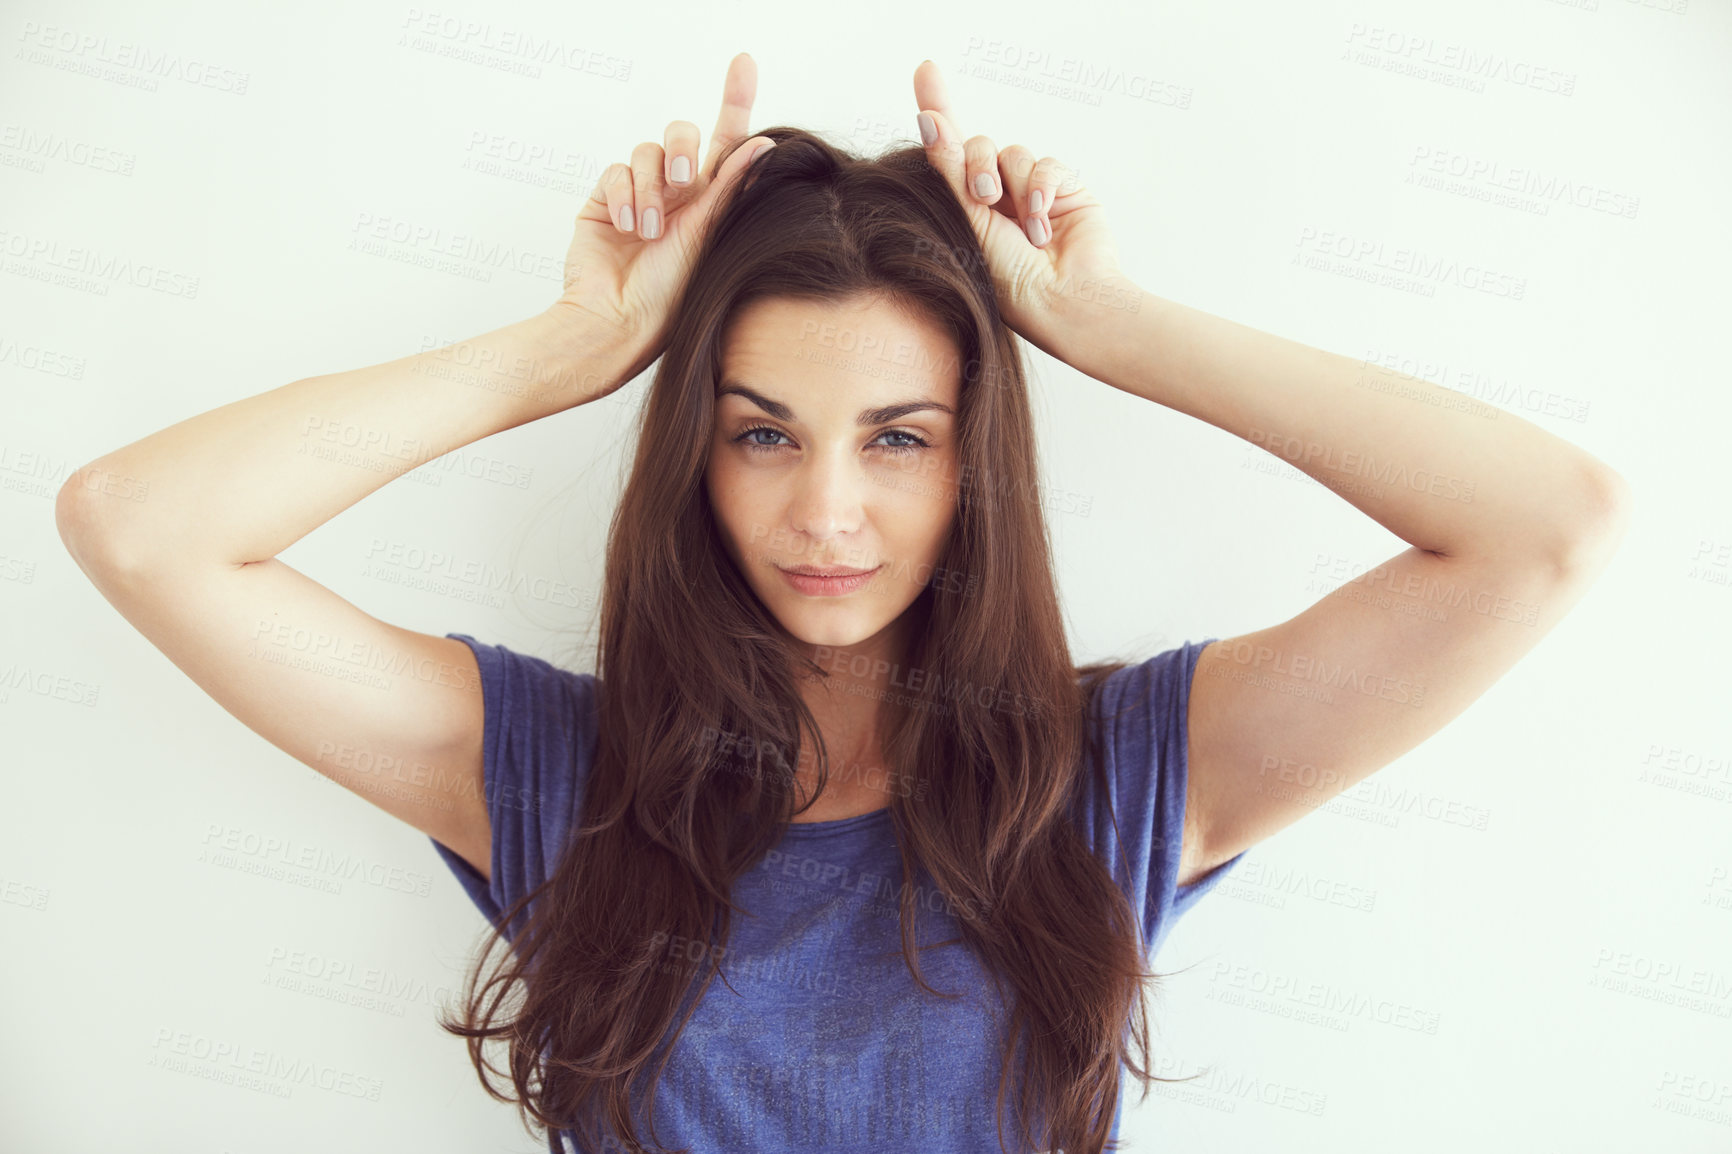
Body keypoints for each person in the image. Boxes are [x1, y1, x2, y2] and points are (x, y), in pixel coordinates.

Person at [55, 52, 1630, 1154]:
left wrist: (1106, 323)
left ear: (975, 465)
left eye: (899, 438)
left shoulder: (1128, 772)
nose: (825, 510)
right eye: (760, 432)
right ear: (696, 456)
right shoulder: (553, 777)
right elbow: (139, 527)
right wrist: (567, 346)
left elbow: (1547, 527)